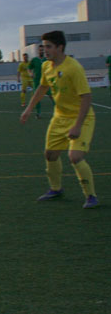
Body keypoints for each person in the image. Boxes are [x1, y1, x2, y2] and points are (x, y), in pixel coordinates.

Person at [20, 31, 98, 209]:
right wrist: (29, 109)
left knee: (75, 157)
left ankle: (91, 195)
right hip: (59, 117)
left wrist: (77, 126)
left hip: (81, 118)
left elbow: (86, 97)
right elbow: (42, 87)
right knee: (50, 154)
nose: (44, 50)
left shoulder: (74, 68)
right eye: (43, 46)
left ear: (60, 47)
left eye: (48, 46)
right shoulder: (47, 66)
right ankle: (56, 189)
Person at [28, 45, 50, 118]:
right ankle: (38, 113)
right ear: (38, 51)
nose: (41, 51)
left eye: (42, 50)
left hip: (46, 82)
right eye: (40, 50)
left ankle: (58, 112)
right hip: (37, 82)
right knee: (37, 97)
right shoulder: (34, 60)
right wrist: (31, 73)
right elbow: (29, 68)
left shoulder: (47, 60)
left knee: (52, 95)